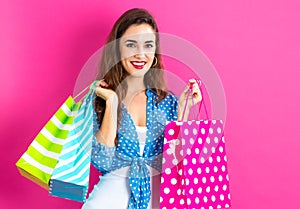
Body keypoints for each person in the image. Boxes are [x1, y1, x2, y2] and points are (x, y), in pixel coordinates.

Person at [82, 8, 202, 209]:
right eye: (131, 45)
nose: (140, 54)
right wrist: (111, 103)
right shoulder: (100, 98)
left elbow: (174, 165)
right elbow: (103, 161)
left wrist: (182, 111)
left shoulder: (167, 102)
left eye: (148, 45)